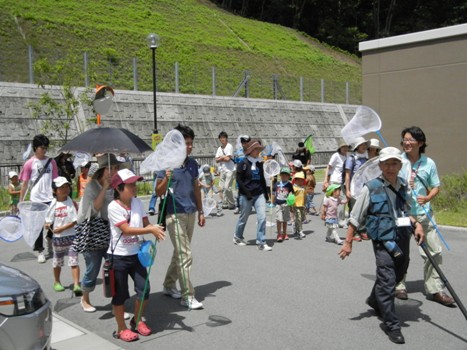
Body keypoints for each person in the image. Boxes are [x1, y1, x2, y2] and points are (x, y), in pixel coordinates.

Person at [338, 147, 425, 345]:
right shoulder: (371, 187)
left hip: (402, 235)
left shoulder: (404, 186)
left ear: (400, 165)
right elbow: (355, 217)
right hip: (383, 238)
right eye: (386, 163)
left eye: (394, 163)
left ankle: (374, 299)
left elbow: (408, 210)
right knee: (387, 279)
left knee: (400, 271)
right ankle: (391, 324)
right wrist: (348, 242)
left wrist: (417, 224)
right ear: (380, 166)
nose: (390, 167)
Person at [394, 126, 455, 306]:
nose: (406, 142)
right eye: (404, 139)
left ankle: (435, 289)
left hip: (424, 213)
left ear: (420, 143)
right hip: (403, 214)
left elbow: (435, 185)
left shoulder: (429, 163)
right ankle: (399, 286)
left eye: (410, 140)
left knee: (434, 252)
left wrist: (428, 197)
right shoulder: (397, 161)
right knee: (400, 252)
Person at [108, 168, 165, 342]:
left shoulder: (138, 203)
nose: (134, 187)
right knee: (120, 295)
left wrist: (156, 228)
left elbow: (146, 223)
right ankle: (121, 328)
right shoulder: (113, 206)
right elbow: (126, 230)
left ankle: (137, 319)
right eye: (130, 184)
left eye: (135, 183)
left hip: (137, 254)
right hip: (118, 256)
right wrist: (149, 229)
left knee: (144, 290)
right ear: (119, 188)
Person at [156, 124, 206, 310]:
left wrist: (201, 211)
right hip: (173, 214)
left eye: (191, 143)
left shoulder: (192, 164)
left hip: (191, 212)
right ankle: (188, 295)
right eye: (186, 143)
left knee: (180, 253)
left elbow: (196, 188)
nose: (189, 146)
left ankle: (169, 285)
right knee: (185, 254)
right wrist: (165, 179)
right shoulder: (167, 163)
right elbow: (158, 191)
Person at [78, 153, 127, 313]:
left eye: (116, 167)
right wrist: (105, 186)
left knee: (114, 268)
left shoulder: (116, 186)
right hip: (92, 232)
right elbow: (95, 208)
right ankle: (85, 297)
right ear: (102, 170)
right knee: (93, 267)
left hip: (111, 231)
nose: (113, 171)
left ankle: (116, 304)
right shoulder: (92, 186)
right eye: (109, 168)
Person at [19, 134, 59, 263]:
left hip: (50, 197)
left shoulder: (52, 162)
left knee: (53, 222)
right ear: (35, 147)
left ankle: (50, 241)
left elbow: (55, 180)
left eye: (46, 148)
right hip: (36, 198)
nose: (44, 150)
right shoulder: (30, 163)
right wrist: (21, 201)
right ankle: (40, 251)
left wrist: (58, 195)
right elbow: (25, 183)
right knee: (38, 226)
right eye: (42, 147)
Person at [45, 177, 81, 295]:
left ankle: (76, 284)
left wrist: (62, 228)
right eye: (61, 187)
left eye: (67, 186)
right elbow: (48, 219)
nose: (65, 189)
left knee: (74, 261)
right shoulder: (53, 204)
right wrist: (47, 224)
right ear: (55, 191)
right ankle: (57, 281)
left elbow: (75, 220)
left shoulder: (72, 203)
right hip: (58, 238)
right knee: (57, 261)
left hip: (71, 236)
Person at [233, 139, 271, 251]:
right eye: (256, 149)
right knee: (243, 218)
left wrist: (266, 193)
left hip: (259, 194)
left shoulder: (260, 163)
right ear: (250, 150)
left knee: (262, 217)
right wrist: (247, 193)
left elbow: (262, 179)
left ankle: (261, 242)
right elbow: (238, 180)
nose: (258, 151)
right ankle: (237, 237)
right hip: (246, 195)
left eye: (259, 149)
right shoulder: (243, 163)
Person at [344, 136, 369, 241]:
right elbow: (347, 175)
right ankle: (353, 232)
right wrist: (347, 190)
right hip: (354, 188)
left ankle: (362, 230)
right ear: (357, 146)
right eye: (361, 145)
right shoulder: (352, 158)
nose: (363, 146)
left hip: (364, 187)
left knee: (365, 208)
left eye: (364, 145)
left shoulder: (366, 158)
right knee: (354, 210)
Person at [271, 167, 294, 242]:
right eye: (282, 175)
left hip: (286, 204)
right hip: (278, 204)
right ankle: (279, 234)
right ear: (280, 175)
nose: (284, 176)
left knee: (285, 220)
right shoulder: (277, 184)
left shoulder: (289, 185)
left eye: (286, 175)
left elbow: (292, 195)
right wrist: (272, 202)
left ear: (288, 176)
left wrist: (291, 205)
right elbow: (273, 193)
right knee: (279, 220)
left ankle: (284, 233)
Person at [215, 131, 236, 209]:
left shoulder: (229, 146)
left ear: (226, 138)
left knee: (227, 187)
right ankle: (225, 202)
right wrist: (223, 157)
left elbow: (228, 159)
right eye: (220, 138)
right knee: (221, 187)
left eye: (223, 138)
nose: (222, 139)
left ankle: (232, 203)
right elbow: (216, 160)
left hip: (230, 169)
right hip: (222, 170)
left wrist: (221, 157)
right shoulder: (219, 148)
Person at [292, 172, 306, 239]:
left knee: (302, 218)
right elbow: (291, 197)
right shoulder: (294, 188)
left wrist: (305, 204)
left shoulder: (303, 188)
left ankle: (295, 225)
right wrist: (291, 205)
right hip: (296, 205)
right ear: (296, 180)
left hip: (302, 205)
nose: (301, 181)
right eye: (300, 180)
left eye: (302, 180)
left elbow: (304, 196)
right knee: (299, 218)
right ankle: (300, 231)